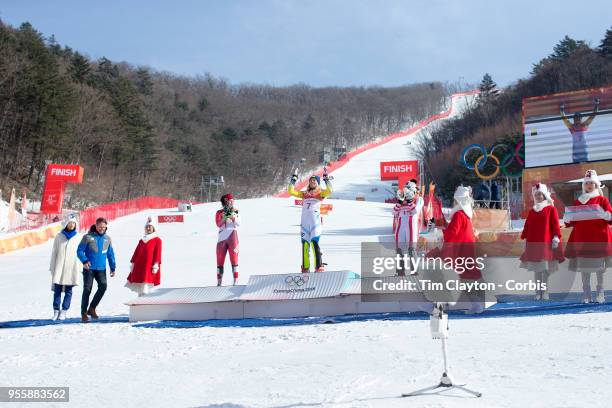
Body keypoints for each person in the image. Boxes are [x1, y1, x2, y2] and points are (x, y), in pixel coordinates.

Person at [428, 185, 483, 313]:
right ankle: (474, 305)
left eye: (455, 200)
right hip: (465, 252)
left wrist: (440, 233)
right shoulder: (466, 215)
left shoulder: (458, 215)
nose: (454, 202)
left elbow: (452, 232)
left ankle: (440, 306)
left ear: (459, 200)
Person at [564, 170, 612, 303]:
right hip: (582, 238)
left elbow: (610, 216)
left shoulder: (602, 200)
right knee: (585, 267)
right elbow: (571, 221)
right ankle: (586, 293)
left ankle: (600, 292)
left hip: (599, 238)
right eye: (587, 183)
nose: (589, 185)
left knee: (599, 268)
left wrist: (605, 214)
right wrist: (567, 218)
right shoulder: (578, 201)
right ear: (583, 186)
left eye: (591, 183)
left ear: (596, 185)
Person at [519, 183, 565, 300]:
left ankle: (544, 291)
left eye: (540, 194)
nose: (539, 196)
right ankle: (537, 292)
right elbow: (528, 225)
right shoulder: (533, 211)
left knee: (544, 270)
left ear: (544, 195)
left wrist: (556, 236)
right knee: (537, 270)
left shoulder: (551, 209)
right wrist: (524, 236)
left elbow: (555, 224)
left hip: (546, 243)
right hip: (534, 243)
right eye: (537, 194)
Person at [288, 170, 332, 273]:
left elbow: (330, 190)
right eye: (311, 180)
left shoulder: (320, 193)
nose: (312, 182)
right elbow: (291, 191)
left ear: (318, 183)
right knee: (305, 246)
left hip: (315, 223)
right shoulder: (304, 194)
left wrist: (326, 179)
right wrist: (294, 177)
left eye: (314, 181)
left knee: (314, 243)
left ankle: (319, 267)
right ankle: (305, 268)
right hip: (304, 225)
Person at [77, 217, 116, 322]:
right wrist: (84, 261)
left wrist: (113, 267)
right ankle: (83, 313)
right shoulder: (88, 237)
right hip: (89, 268)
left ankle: (92, 308)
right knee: (87, 290)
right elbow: (79, 251)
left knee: (103, 286)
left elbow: (110, 254)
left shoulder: (107, 239)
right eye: (100, 226)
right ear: (96, 226)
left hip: (101, 269)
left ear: (106, 227)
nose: (101, 228)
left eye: (103, 227)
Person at [48, 214, 81, 320]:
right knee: (57, 290)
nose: (71, 225)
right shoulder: (59, 236)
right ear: (66, 223)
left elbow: (79, 253)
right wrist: (52, 266)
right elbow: (54, 252)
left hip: (71, 268)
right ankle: (56, 310)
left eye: (73, 223)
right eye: (70, 223)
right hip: (59, 266)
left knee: (68, 291)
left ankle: (64, 311)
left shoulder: (77, 237)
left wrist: (79, 267)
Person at [392, 182, 424, 276]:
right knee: (399, 249)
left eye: (409, 190)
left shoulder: (419, 199)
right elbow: (394, 212)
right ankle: (400, 271)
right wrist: (399, 202)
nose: (407, 192)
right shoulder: (403, 200)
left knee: (411, 249)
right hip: (401, 226)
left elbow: (415, 211)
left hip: (412, 227)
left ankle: (415, 271)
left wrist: (410, 201)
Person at [126, 217, 162, 296]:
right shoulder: (142, 240)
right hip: (139, 266)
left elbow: (157, 253)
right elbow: (136, 252)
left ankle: (146, 302)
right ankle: (140, 301)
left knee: (146, 285)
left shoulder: (157, 240)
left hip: (148, 267)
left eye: (150, 226)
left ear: (154, 228)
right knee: (140, 285)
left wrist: (156, 264)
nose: (148, 228)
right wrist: (133, 263)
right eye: (147, 227)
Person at [560, 98, 599, 163]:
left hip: (583, 153)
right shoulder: (572, 127)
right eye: (576, 118)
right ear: (574, 119)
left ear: (581, 119)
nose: (577, 120)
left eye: (578, 118)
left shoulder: (584, 125)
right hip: (576, 154)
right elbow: (564, 119)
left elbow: (593, 116)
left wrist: (596, 105)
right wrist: (561, 109)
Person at [216, 194, 240, 286]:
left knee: (234, 259)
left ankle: (235, 281)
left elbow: (239, 223)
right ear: (225, 202)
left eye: (232, 201)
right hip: (222, 237)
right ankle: (219, 282)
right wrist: (224, 218)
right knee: (220, 260)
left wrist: (233, 217)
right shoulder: (219, 212)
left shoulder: (235, 211)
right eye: (230, 201)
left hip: (233, 236)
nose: (232, 202)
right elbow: (218, 224)